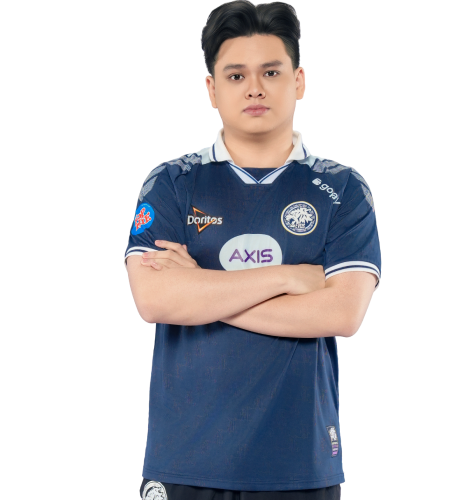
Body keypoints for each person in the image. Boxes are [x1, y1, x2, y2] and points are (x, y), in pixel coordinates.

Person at [124, 1, 382, 499]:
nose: (255, 88)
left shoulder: (343, 187)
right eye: (236, 75)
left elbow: (342, 314)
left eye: (271, 71)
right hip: (185, 460)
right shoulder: (171, 182)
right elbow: (154, 301)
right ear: (211, 90)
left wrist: (200, 291)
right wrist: (288, 277)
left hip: (300, 463)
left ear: (299, 81)